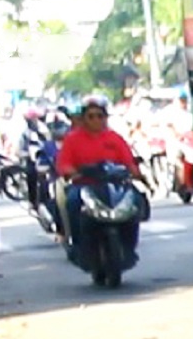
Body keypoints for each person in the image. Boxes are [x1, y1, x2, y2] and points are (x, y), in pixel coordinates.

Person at [54, 94, 139, 245]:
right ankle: (78, 244)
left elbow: (128, 162)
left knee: (135, 200)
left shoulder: (115, 138)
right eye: (91, 116)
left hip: (114, 186)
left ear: (106, 118)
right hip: (84, 185)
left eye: (100, 116)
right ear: (83, 119)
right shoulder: (72, 140)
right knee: (73, 201)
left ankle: (129, 244)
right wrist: (73, 172)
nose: (96, 120)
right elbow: (64, 164)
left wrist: (137, 174)